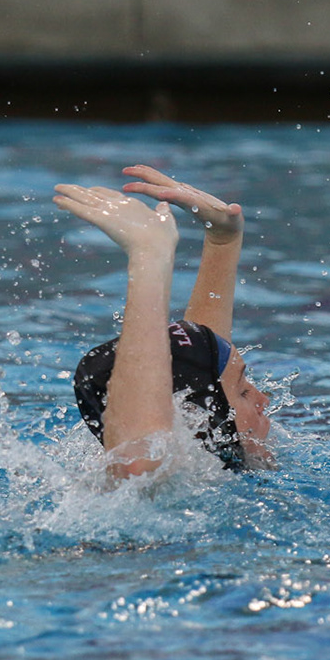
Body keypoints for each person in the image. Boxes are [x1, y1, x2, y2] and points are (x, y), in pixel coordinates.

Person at [54, 165, 271, 478]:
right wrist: (148, 255)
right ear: (190, 418)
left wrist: (223, 241)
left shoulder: (207, 469)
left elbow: (206, 371)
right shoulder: (149, 486)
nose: (264, 400)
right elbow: (141, 457)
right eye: (244, 393)